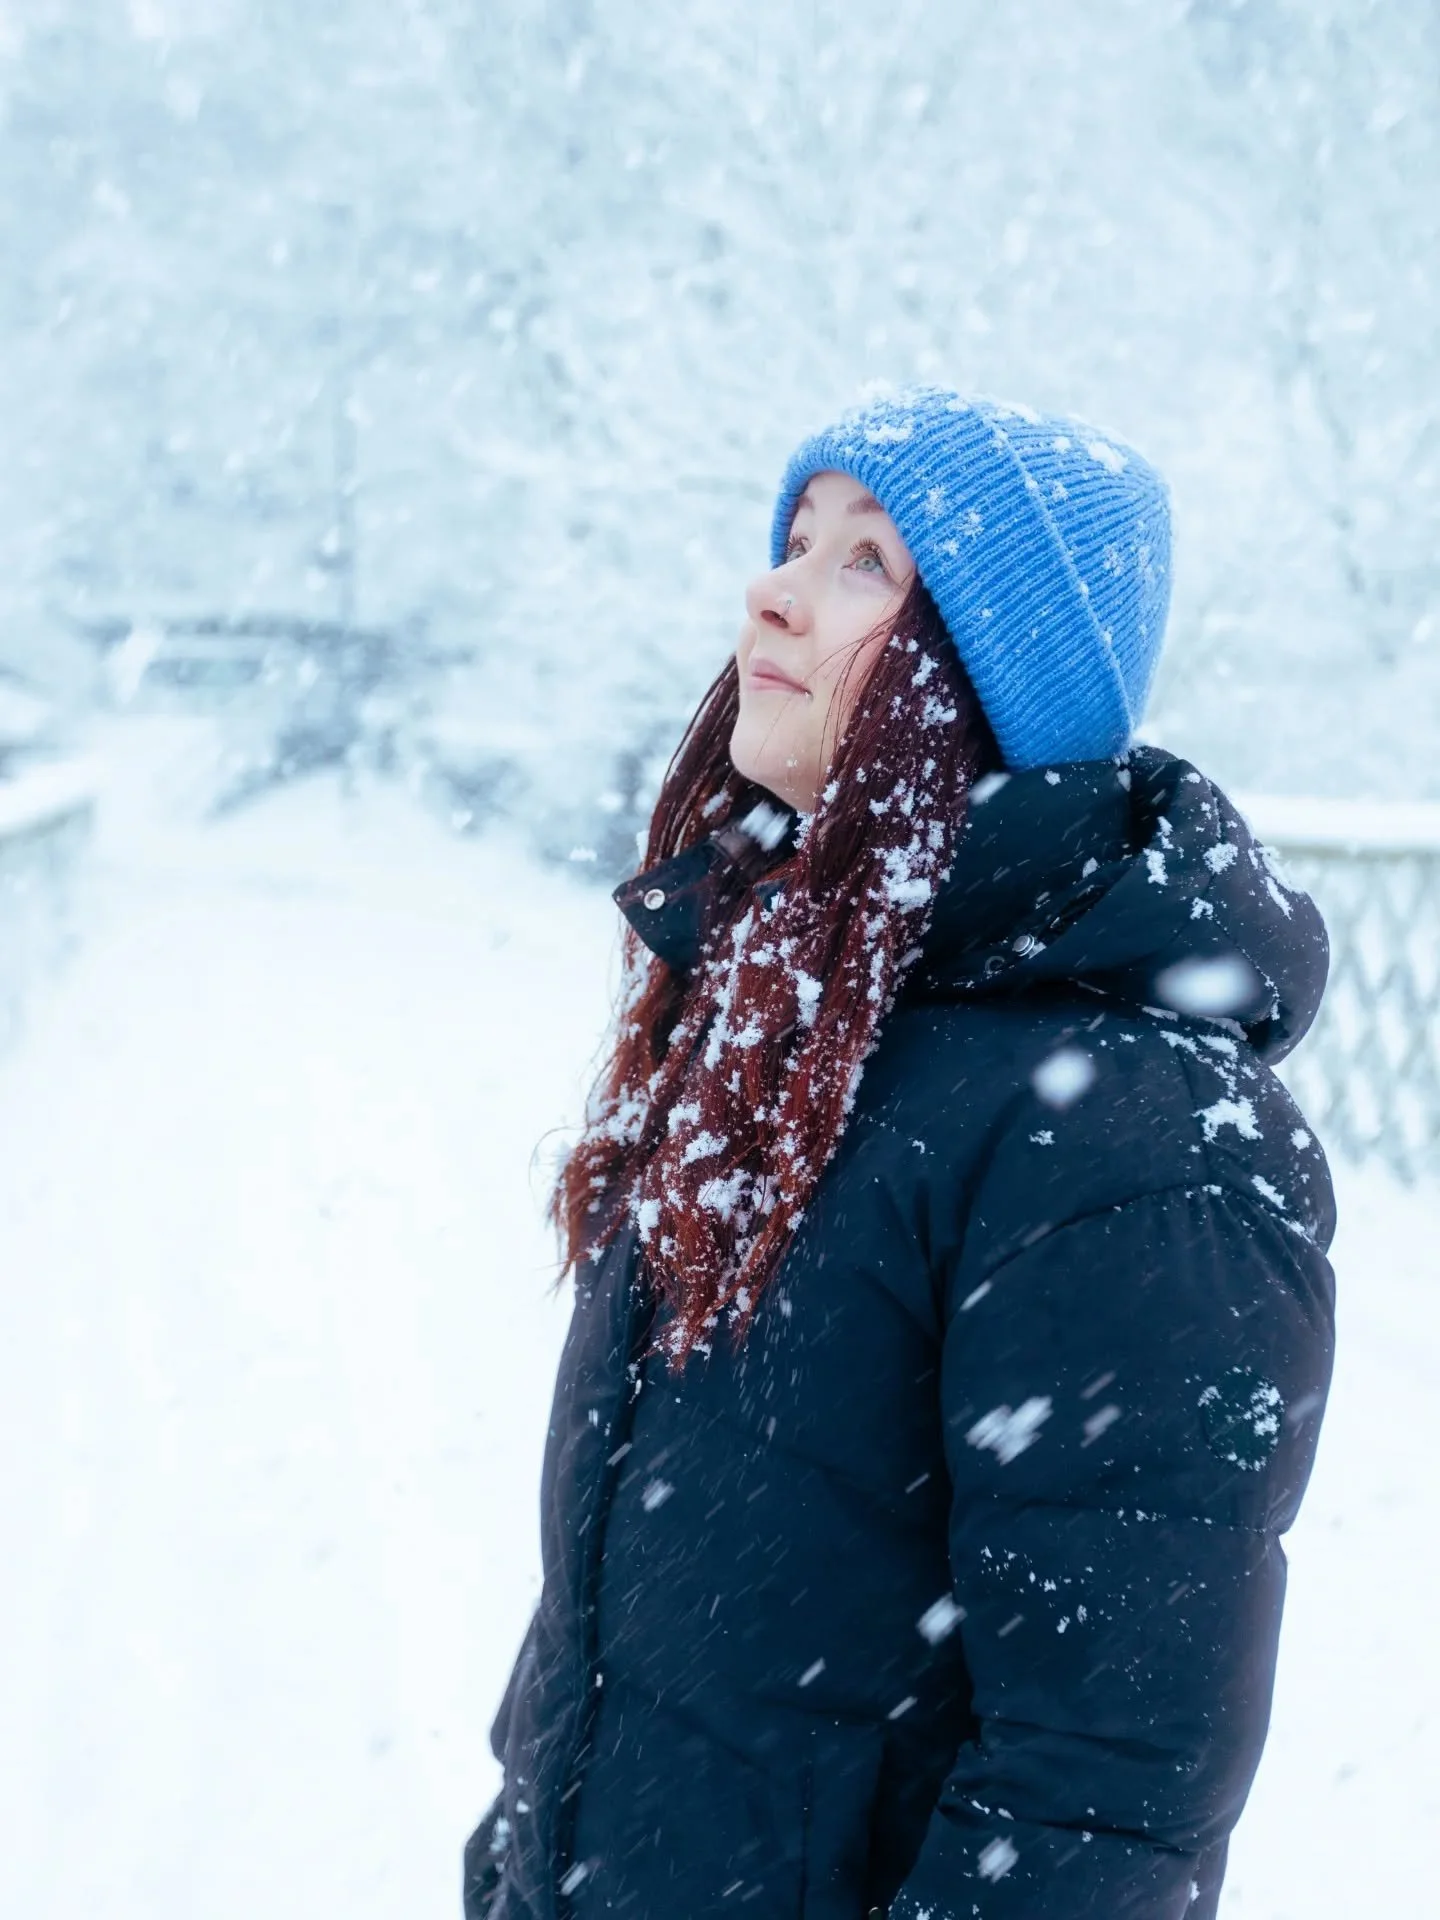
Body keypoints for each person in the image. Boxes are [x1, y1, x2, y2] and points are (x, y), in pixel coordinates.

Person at [462, 387, 1336, 1920]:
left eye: (866, 561)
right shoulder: (786, 1018)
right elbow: (636, 1604)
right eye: (797, 539)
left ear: (997, 672)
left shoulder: (1128, 1133)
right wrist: (519, 1849)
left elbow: (1100, 1792)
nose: (774, 590)